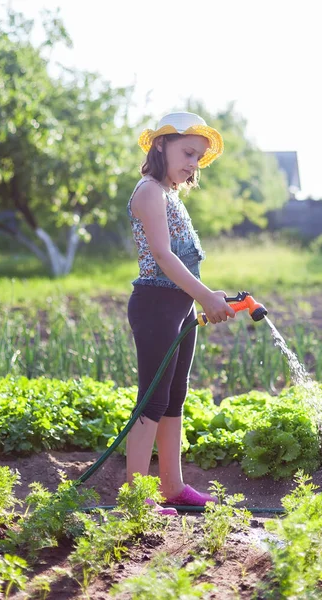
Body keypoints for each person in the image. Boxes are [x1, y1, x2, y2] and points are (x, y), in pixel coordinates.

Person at [126, 112, 236, 515]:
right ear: (160, 145)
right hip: (156, 305)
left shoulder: (169, 194)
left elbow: (182, 264)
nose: (193, 163)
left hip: (178, 306)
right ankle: (135, 499)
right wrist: (206, 296)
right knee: (152, 401)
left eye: (199, 157)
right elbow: (163, 256)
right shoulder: (149, 191)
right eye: (188, 152)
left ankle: (172, 487)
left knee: (174, 399)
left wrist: (207, 295)